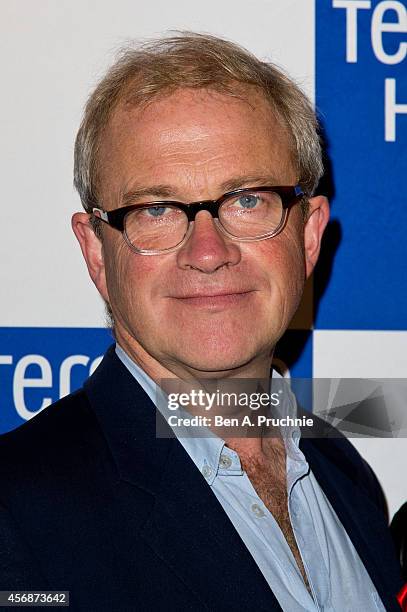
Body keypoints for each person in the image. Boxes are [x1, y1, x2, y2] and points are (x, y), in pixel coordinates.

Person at [0, 32, 403, 611]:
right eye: (156, 210)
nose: (209, 251)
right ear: (96, 253)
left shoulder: (345, 475)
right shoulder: (16, 517)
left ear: (308, 235)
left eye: (246, 200)